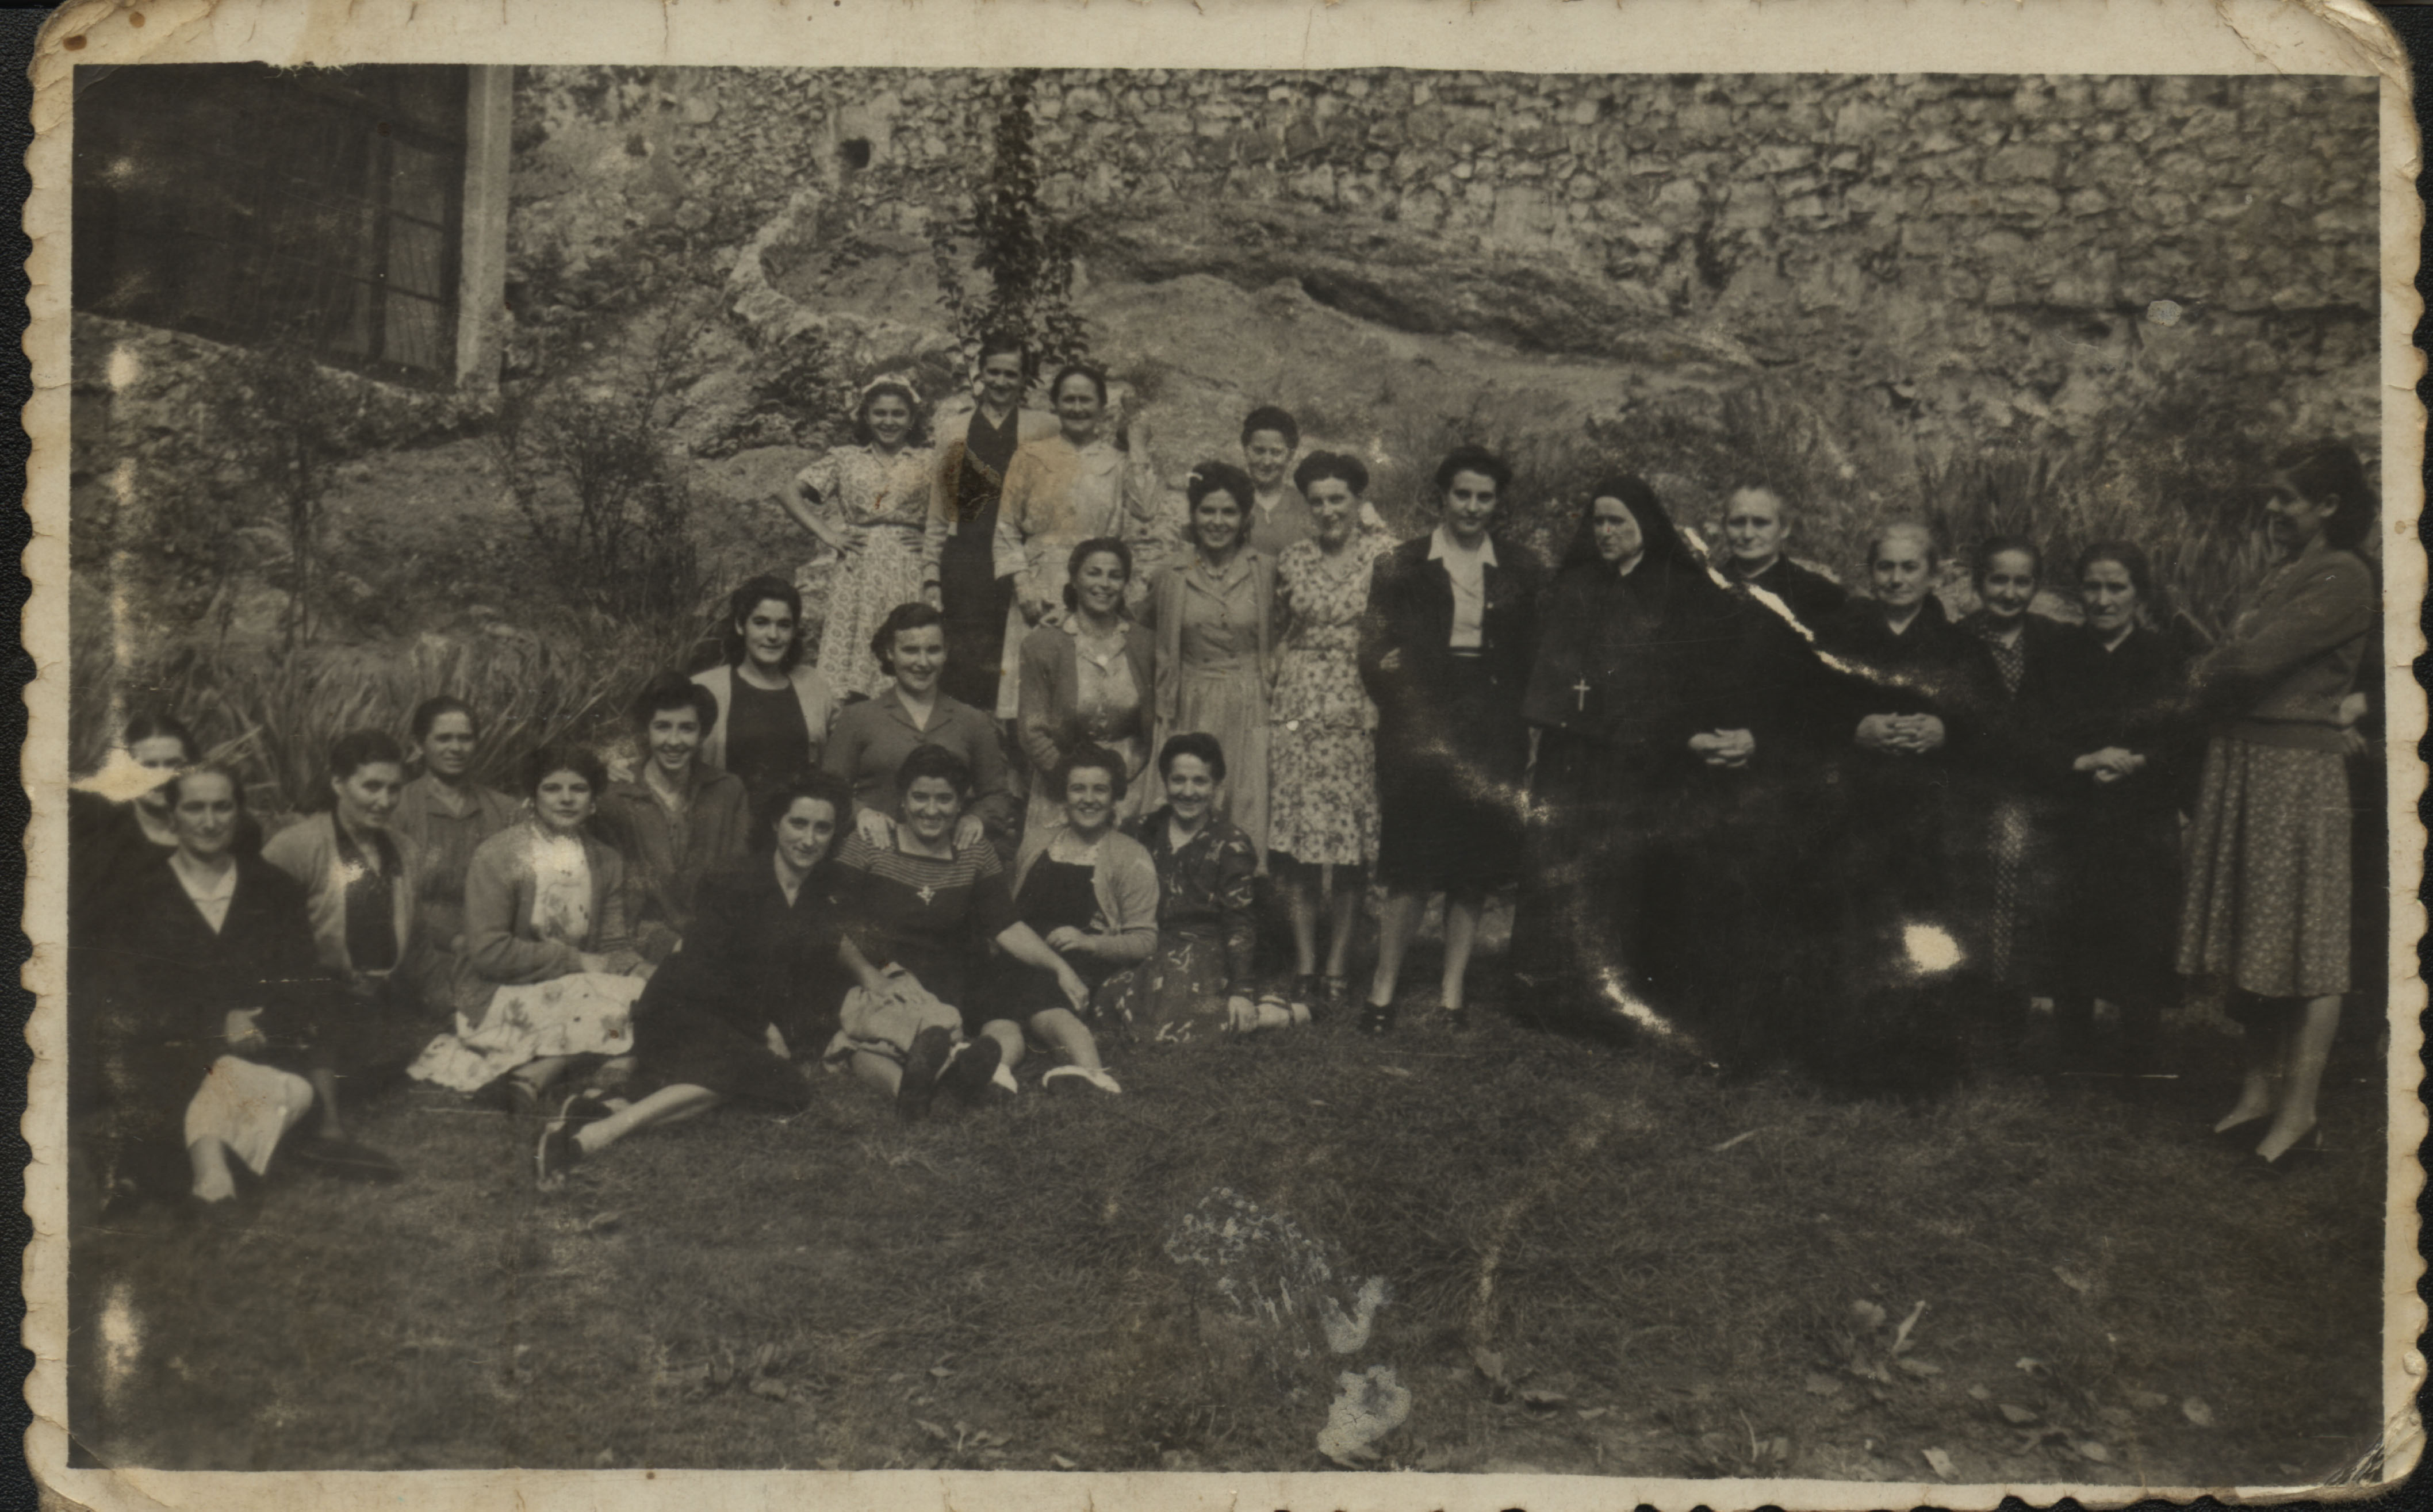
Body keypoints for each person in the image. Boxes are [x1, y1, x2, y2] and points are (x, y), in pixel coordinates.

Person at [535, 770, 894, 1185]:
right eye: (799, 823)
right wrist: (762, 1029)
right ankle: (596, 1136)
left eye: (822, 828)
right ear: (776, 823)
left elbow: (805, 968)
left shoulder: (823, 891)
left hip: (733, 1019)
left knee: (776, 1085)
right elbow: (701, 973)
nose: (809, 839)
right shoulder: (733, 883)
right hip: (682, 1007)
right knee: (760, 1076)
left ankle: (604, 1110)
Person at [2179, 442, 2377, 1165]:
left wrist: (2211, 667)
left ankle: (2299, 1113)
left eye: (2285, 498)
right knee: (2254, 935)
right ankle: (2258, 1092)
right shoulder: (2285, 571)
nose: (2271, 510)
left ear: (2327, 505)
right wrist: (2222, 664)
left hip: (2294, 769)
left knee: (2305, 941)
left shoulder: (2344, 573)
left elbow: (2248, 659)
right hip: (2245, 759)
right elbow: (2235, 656)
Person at [1515, 476, 1760, 1031]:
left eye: (1617, 521)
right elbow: (1553, 679)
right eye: (1598, 521)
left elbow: (1690, 682)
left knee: (1628, 880)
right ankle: (1556, 998)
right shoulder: (1575, 587)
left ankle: (1625, 1001)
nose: (1604, 532)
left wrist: (1680, 733)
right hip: (1575, 762)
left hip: (1646, 762)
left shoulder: (1678, 590)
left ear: (1644, 526)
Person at [85, 765, 354, 1212]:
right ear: (173, 817)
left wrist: (263, 1023)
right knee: (200, 1082)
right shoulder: (137, 896)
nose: (209, 821)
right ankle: (213, 1169)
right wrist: (216, 1023)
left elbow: (304, 985)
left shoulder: (274, 890)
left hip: (259, 1049)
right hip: (173, 1053)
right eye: (194, 808)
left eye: (221, 807)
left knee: (294, 1088)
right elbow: (127, 999)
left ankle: (165, 1166)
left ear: (238, 813)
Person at [1357, 446, 1547, 1034]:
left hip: (1491, 725)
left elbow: (1535, 655)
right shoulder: (1402, 563)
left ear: (1497, 503)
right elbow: (1373, 653)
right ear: (1442, 496)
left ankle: (1452, 991)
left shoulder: (1522, 568)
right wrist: (1410, 707)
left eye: (1484, 497)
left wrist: (1517, 721)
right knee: (1411, 860)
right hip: (1422, 723)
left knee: (1472, 864)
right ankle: (1383, 988)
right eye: (1461, 494)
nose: (1471, 506)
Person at [824, 745, 1116, 1115]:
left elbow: (1006, 924)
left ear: (962, 802)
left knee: (1004, 1026)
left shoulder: (974, 852)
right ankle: (910, 1092)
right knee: (876, 1038)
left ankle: (981, 1072)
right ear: (902, 798)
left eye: (944, 799)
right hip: (885, 967)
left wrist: (1059, 968)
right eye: (920, 798)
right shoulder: (870, 844)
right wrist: (880, 975)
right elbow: (838, 922)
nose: (932, 810)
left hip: (950, 972)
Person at [1803, 523, 1982, 1092]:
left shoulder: (1960, 645)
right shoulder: (1837, 637)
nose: (1897, 579)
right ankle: (1850, 1064)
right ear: (1870, 571)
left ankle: (1922, 1066)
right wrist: (1855, 726)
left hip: (1930, 813)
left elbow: (1993, 727)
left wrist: (1944, 728)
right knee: (1856, 926)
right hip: (1855, 805)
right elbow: (1798, 708)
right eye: (1886, 567)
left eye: (1910, 568)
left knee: (1925, 931)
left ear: (1933, 575)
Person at [407, 744, 651, 1109]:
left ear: (594, 801)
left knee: (652, 996)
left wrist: (644, 971)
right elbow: (488, 953)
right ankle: (559, 1072)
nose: (566, 799)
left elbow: (614, 944)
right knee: (616, 1015)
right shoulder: (500, 855)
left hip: (577, 988)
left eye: (578, 789)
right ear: (533, 797)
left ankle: (572, 1066)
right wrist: (576, 962)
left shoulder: (605, 860)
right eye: (552, 789)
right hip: (499, 992)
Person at [2045, 542, 2194, 1077]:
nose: (2103, 600)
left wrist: (2137, 761)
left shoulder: (2163, 656)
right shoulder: (2058, 653)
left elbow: (2182, 739)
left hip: (2141, 813)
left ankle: (2140, 1052)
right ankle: (2072, 1048)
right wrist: (2082, 759)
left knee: (2141, 928)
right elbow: (2034, 731)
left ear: (2139, 593)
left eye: (2116, 587)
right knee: (2073, 926)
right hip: (2074, 810)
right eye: (2092, 587)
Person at [262, 730, 435, 1153]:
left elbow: (413, 937)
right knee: (320, 1014)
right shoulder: (298, 847)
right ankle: (328, 1124)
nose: (384, 800)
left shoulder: (405, 851)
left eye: (394, 788)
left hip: (376, 996)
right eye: (371, 786)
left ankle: (342, 1076)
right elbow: (262, 936)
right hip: (311, 990)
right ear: (339, 784)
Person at [1266, 452, 1387, 1021]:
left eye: (1338, 498)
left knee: (1346, 843)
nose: (1328, 510)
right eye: (1317, 500)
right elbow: (1275, 630)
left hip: (1354, 703)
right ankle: (1305, 962)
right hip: (1296, 705)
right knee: (1296, 842)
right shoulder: (1291, 557)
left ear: (1358, 501)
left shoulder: (1381, 557)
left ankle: (1339, 964)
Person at [1952, 536, 2073, 1037]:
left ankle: (2013, 1017)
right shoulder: (1957, 641)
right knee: (1972, 904)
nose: (2009, 591)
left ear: (2036, 587)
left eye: (2021, 581)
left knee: (2025, 906)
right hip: (1973, 796)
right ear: (1980, 583)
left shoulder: (2054, 641)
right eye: (1998, 580)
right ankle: (1970, 1014)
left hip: (2035, 797)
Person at [992, 363, 1158, 720]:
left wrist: (1138, 445)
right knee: (1033, 703)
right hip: (1038, 589)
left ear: (1102, 407)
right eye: (1069, 400)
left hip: (1097, 587)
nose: (1078, 408)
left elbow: (1146, 509)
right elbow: (1006, 526)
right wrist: (1023, 586)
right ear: (1055, 404)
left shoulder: (1117, 461)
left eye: (1087, 400)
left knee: (1086, 698)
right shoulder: (1030, 456)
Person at [1140, 461, 1278, 861]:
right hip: (1189, 704)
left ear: (1245, 517)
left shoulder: (1266, 571)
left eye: (1229, 512)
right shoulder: (1171, 573)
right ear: (1193, 513)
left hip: (1250, 706)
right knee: (1187, 803)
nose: (1217, 522)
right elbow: (1139, 630)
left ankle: (1240, 909)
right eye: (1208, 511)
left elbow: (1290, 632)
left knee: (1245, 805)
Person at [784, 377, 947, 697]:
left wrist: (933, 543)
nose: (889, 422)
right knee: (852, 660)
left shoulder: (929, 461)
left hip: (908, 566)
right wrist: (829, 535)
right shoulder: (845, 458)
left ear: (912, 419)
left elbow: (960, 513)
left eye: (898, 414)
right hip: (858, 567)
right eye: (880, 413)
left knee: (908, 647)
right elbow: (789, 493)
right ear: (867, 417)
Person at [823, 601, 1019, 855]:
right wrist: (861, 813)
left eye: (933, 650)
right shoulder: (857, 718)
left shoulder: (973, 721)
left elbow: (997, 795)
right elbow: (826, 792)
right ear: (890, 652)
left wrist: (977, 819)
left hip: (947, 860)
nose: (923, 662)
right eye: (910, 650)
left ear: (946, 652)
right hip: (874, 857)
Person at [932, 338, 1060, 712]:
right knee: (963, 656)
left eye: (1011, 374)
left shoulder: (1044, 427)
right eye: (994, 372)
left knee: (1013, 656)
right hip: (965, 556)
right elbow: (938, 508)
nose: (1001, 381)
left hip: (1015, 558)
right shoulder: (953, 429)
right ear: (980, 374)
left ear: (1023, 379)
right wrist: (930, 571)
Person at [1110, 733, 1267, 1039]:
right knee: (1107, 1004)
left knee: (1165, 1025)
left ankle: (1272, 1015)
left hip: (1203, 950)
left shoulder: (1230, 843)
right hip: (1150, 943)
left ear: (1216, 786)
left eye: (1200, 782)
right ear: (1165, 782)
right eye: (1178, 780)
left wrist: (1242, 990)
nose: (1188, 792)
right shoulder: (1142, 830)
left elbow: (1240, 922)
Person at [593, 673, 754, 964]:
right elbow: (617, 901)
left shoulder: (728, 791)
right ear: (646, 731)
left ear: (703, 733)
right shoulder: (616, 798)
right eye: (663, 727)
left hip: (713, 940)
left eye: (687, 728)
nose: (674, 741)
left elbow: (737, 876)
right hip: (638, 942)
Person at [1005, 743, 1159, 1043]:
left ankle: (1081, 1061)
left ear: (1115, 797)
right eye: (1078, 789)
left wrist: (1090, 943)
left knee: (1035, 996)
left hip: (1080, 968)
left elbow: (1146, 941)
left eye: (1100, 790)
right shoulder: (1036, 843)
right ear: (1064, 795)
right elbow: (1011, 914)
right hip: (1023, 958)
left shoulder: (1130, 856)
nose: (1089, 800)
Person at [1017, 537, 1155, 839]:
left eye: (1115, 576)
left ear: (1125, 584)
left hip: (1131, 785)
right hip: (1062, 786)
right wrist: (1072, 782)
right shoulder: (1044, 644)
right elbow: (1032, 731)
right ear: (1075, 579)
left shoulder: (1145, 645)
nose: (1104, 584)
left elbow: (1154, 727)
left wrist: (1125, 779)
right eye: (1094, 573)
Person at [390, 697, 520, 1007]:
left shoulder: (505, 810)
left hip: (494, 948)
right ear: (420, 745)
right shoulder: (399, 809)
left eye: (465, 738)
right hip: (419, 952)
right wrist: (453, 940)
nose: (456, 748)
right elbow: (393, 901)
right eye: (444, 738)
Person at [692, 576, 840, 808]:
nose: (773, 635)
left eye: (784, 625)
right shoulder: (706, 687)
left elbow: (846, 753)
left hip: (796, 833)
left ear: (794, 631)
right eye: (761, 622)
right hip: (725, 829)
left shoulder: (815, 686)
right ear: (741, 626)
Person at [1715, 482, 1849, 630]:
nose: (1748, 534)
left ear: (1784, 528)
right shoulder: (1702, 586)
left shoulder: (1819, 595)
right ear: (1724, 526)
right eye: (1737, 522)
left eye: (1761, 523)